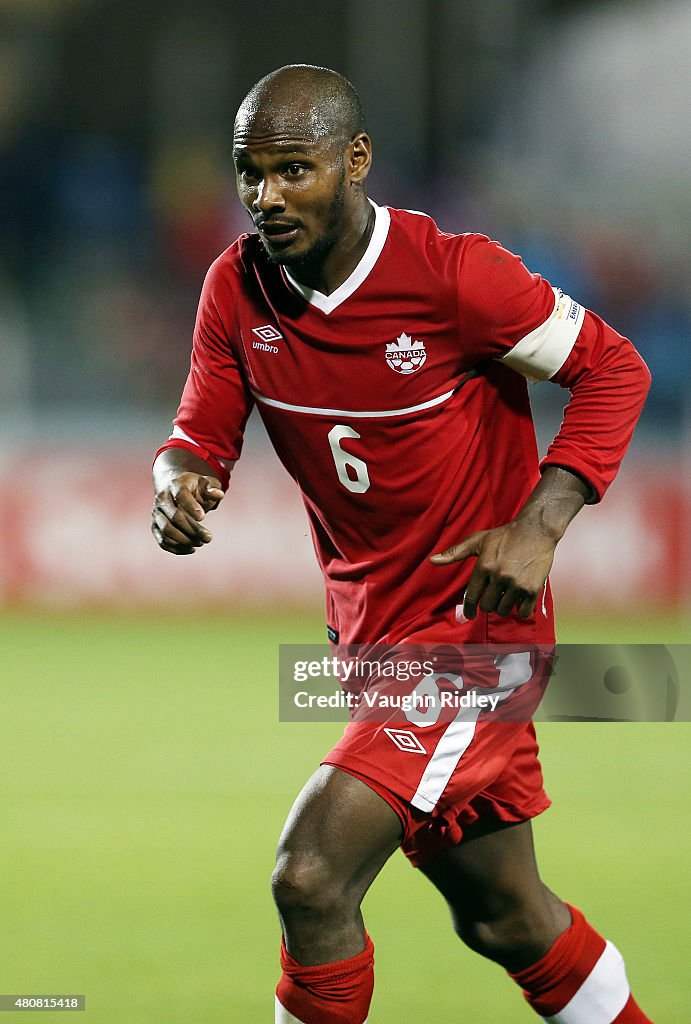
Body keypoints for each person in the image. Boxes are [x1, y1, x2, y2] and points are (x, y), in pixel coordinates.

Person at [151, 65, 654, 1024]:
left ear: (356, 162)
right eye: (248, 173)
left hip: (473, 645)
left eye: (292, 170)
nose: (264, 197)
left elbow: (612, 368)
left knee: (309, 876)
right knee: (507, 918)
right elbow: (197, 435)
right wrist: (177, 483)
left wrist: (540, 525)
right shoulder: (237, 287)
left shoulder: (455, 277)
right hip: (370, 648)